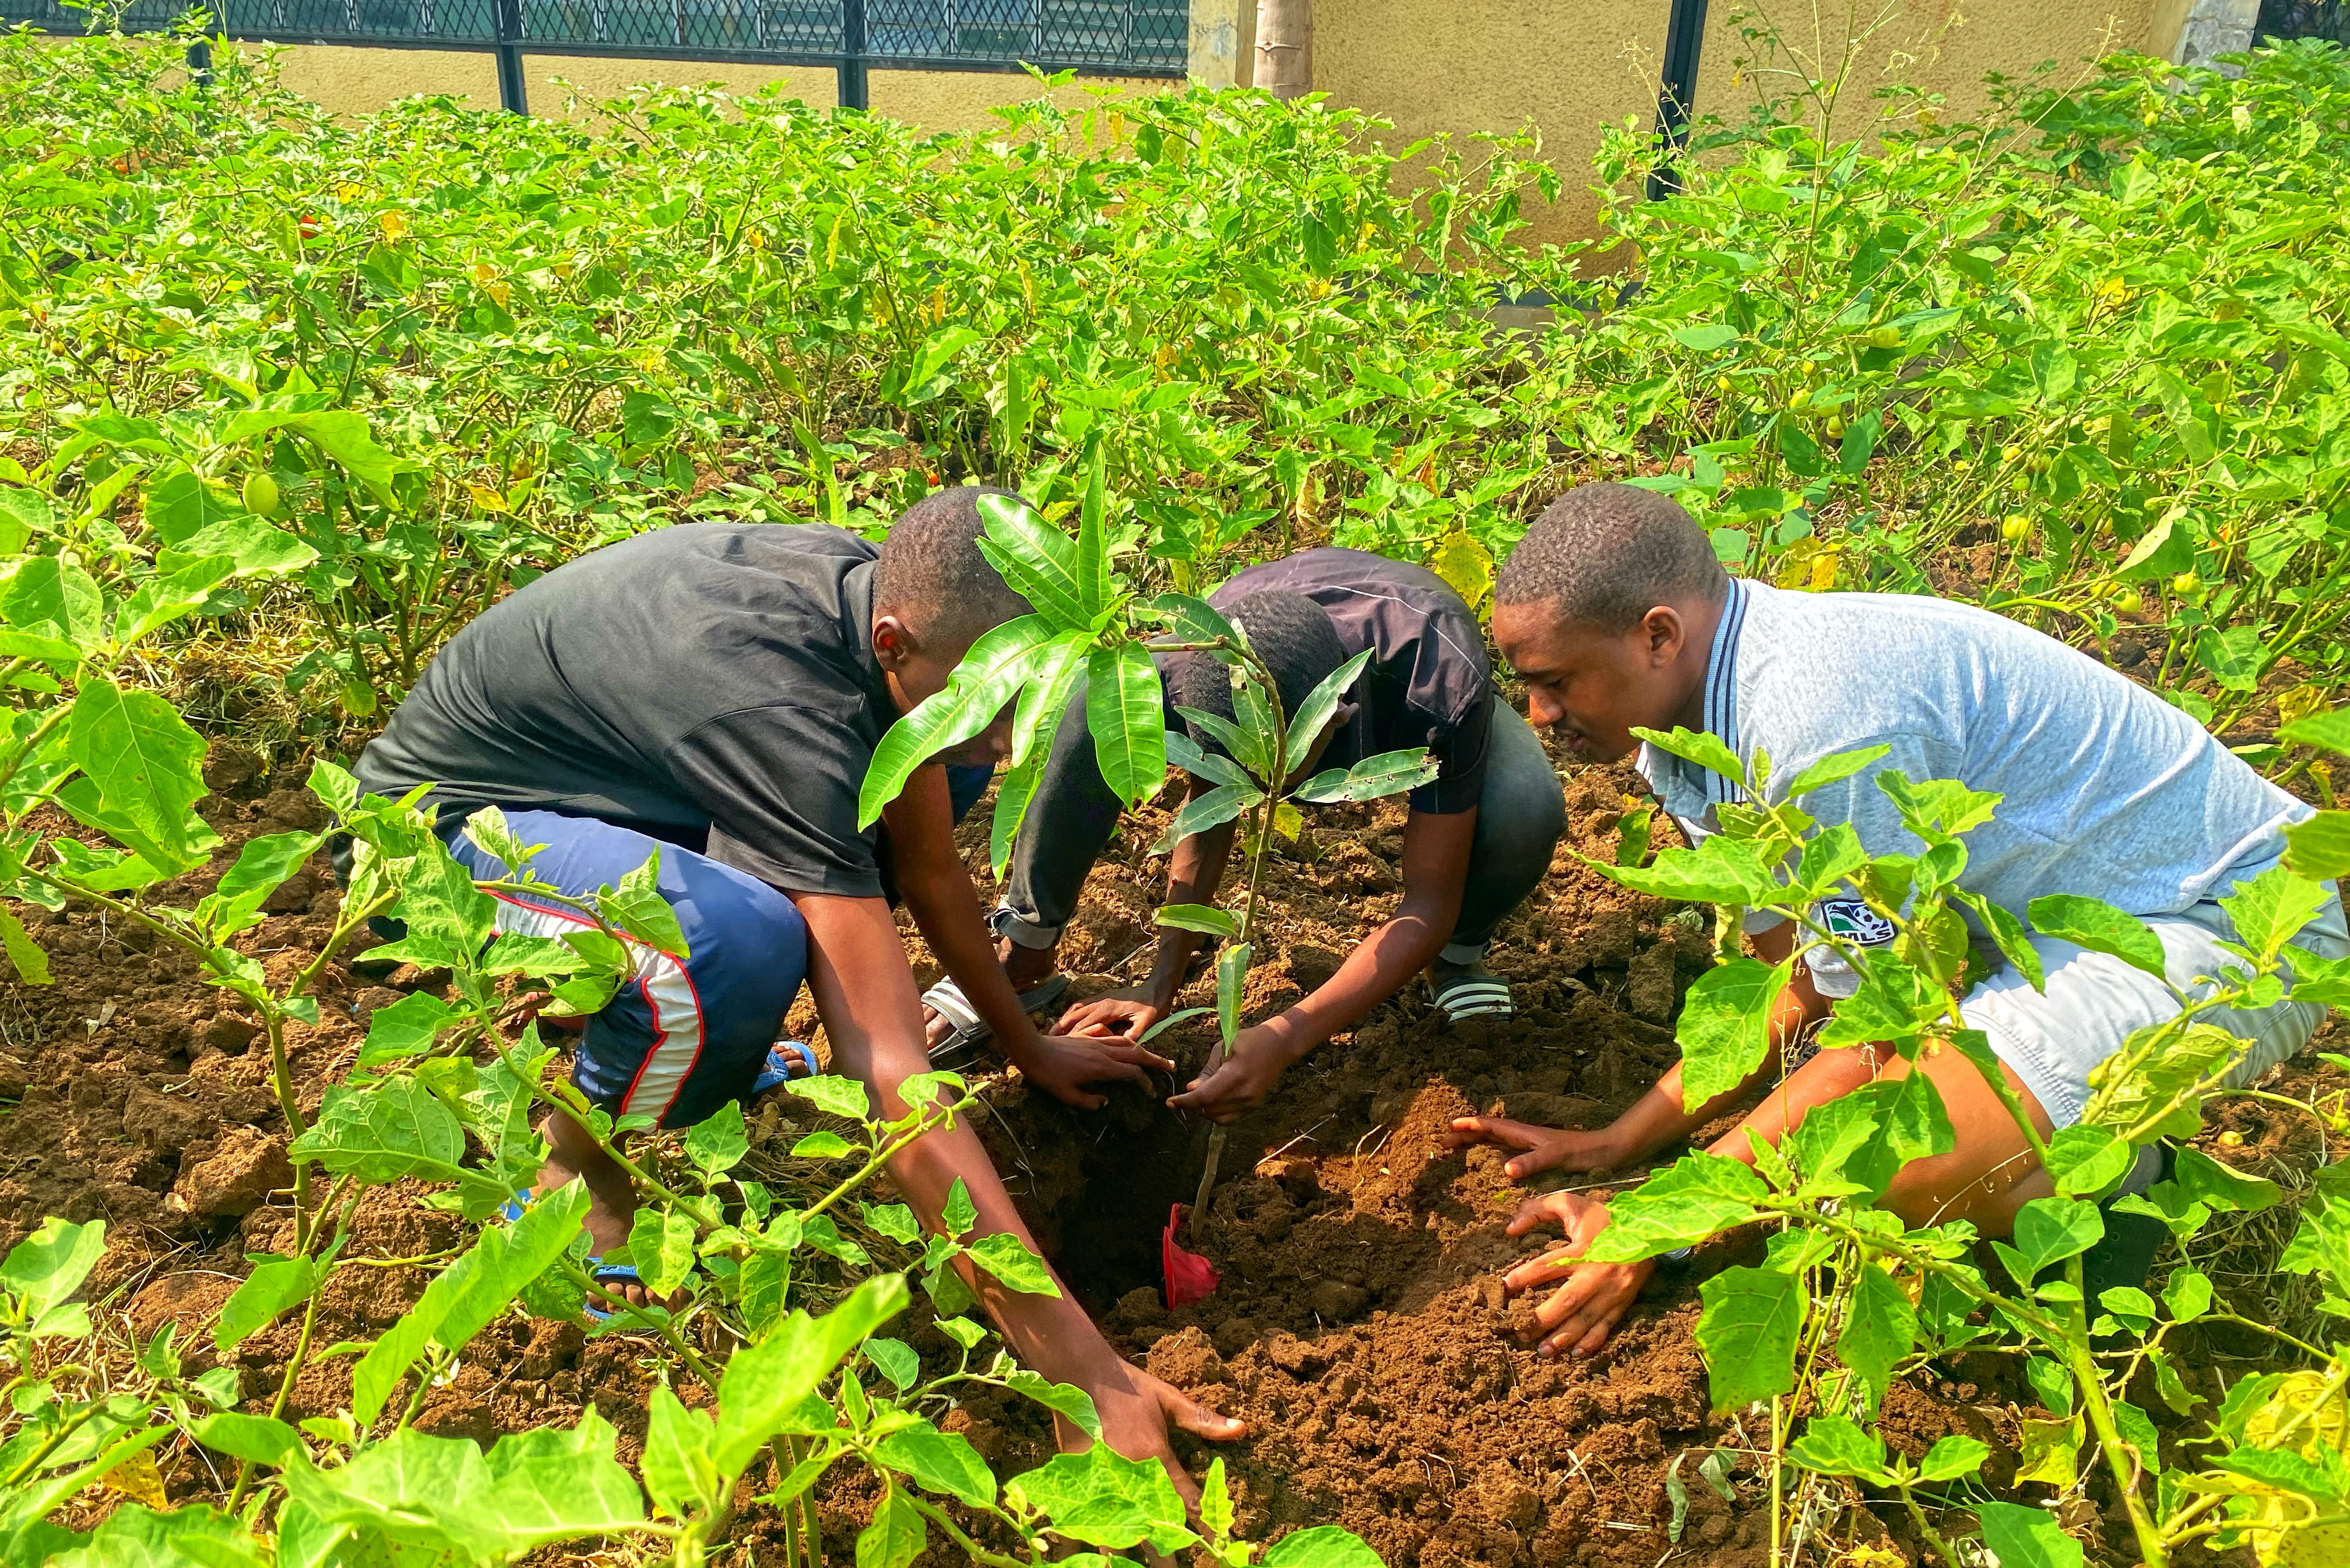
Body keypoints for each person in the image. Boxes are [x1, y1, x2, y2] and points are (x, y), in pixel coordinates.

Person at [350, 492, 1239, 1499]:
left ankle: (693, 1038)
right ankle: (578, 1174)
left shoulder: (883, 619)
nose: (1008, 738)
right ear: (893, 641)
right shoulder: (782, 706)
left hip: (602, 784)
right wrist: (1084, 1376)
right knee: (730, 948)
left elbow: (930, 867)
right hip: (430, 842)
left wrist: (1025, 1044)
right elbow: (888, 1067)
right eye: (992, 704)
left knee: (938, 776)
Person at [1454, 482, 2346, 1359]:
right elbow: (1805, 981)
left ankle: (2119, 1193)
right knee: (1876, 1131)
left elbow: (1878, 1032)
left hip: (2226, 921)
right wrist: (1624, 1139)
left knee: (1904, 1158)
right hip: (2055, 930)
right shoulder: (1686, 732)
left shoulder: (1815, 731)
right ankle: (2064, 1130)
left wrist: (1658, 1222)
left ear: (1658, 635)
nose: (1539, 715)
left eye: (1557, 682)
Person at [924, 549, 1567, 1122]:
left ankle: (1456, 961)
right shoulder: (1195, 664)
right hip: (1270, 633)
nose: (1252, 794)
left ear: (1333, 724)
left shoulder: (1438, 686)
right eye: (1235, 770)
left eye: (1271, 774)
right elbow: (1212, 810)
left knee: (1525, 807)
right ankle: (1024, 951)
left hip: (1408, 668)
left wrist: (1286, 1036)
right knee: (1089, 714)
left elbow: (1428, 900)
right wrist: (1160, 984)